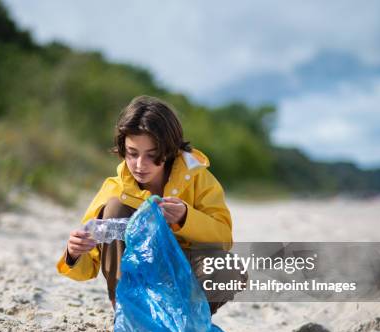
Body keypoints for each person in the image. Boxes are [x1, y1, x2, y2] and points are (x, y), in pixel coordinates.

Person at [56, 95, 246, 314]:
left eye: (152, 155)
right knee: (115, 207)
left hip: (181, 278)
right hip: (136, 283)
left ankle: (187, 321)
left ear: (170, 149)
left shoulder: (199, 179)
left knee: (229, 268)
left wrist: (186, 217)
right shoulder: (114, 189)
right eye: (132, 153)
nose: (140, 165)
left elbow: (223, 240)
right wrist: (73, 253)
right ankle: (128, 314)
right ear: (123, 149)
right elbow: (87, 269)